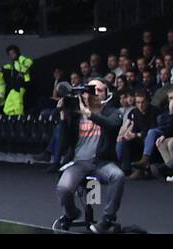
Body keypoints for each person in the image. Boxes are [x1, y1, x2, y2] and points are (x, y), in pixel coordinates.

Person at [53, 80, 125, 234]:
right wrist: (63, 118)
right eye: (92, 90)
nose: (95, 93)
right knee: (64, 188)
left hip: (102, 162)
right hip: (79, 162)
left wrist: (89, 114)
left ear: (106, 94)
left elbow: (112, 125)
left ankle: (107, 219)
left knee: (118, 175)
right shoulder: (76, 115)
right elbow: (65, 143)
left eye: (99, 90)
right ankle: (71, 214)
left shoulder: (113, 112)